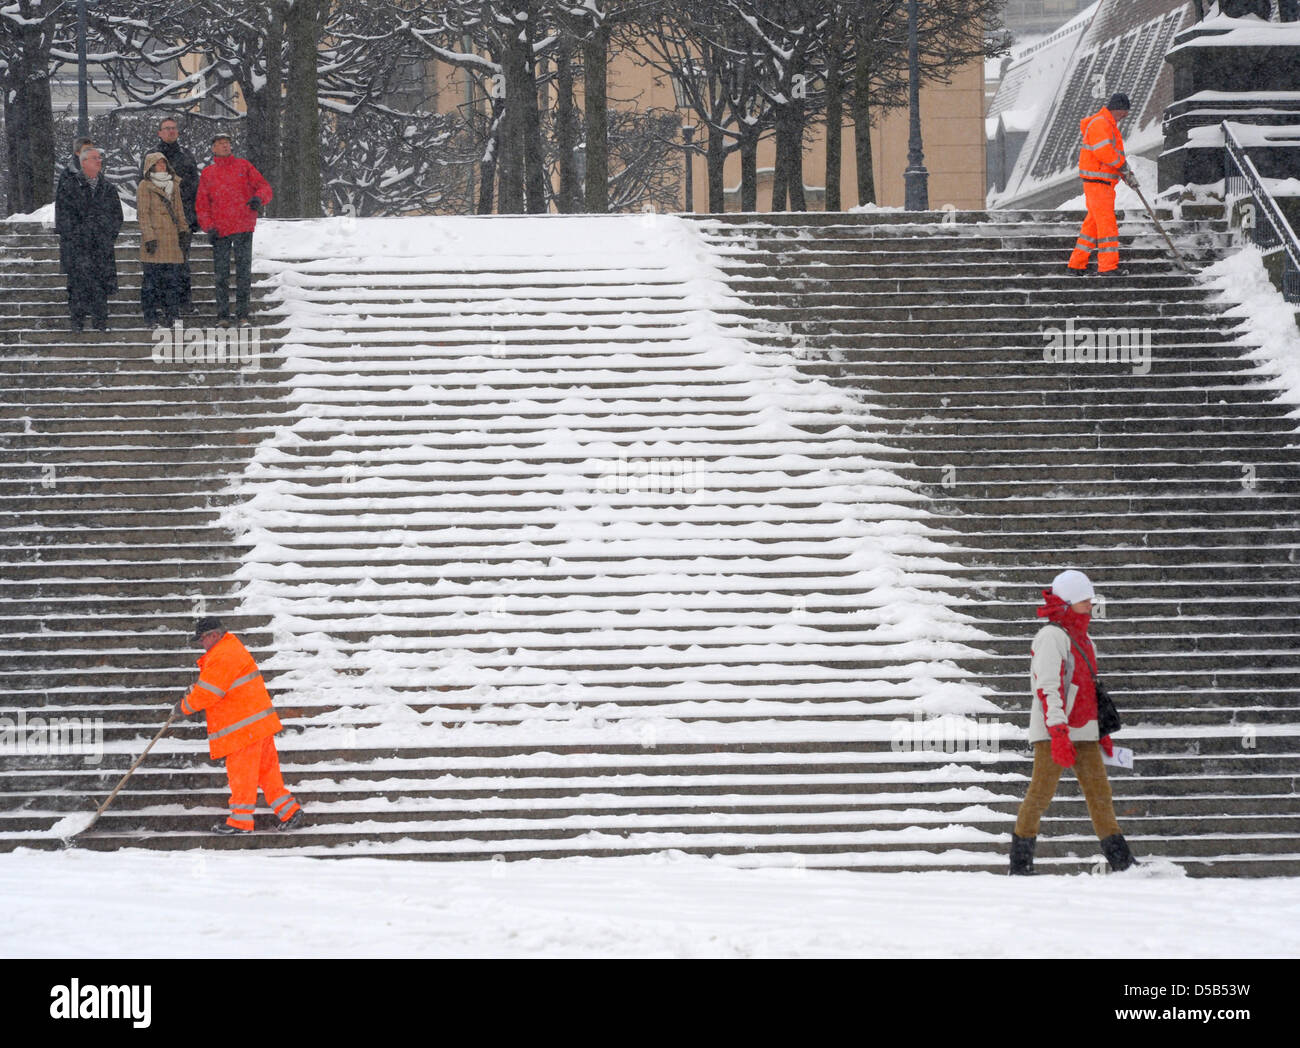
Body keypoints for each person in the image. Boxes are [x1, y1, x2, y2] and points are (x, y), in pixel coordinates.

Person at [1009, 570, 1137, 875]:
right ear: (1067, 601)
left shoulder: (1083, 637)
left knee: (1100, 794)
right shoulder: (1051, 636)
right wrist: (1058, 731)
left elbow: (1087, 687)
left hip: (1084, 730)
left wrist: (1099, 729)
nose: (1090, 604)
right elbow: (1047, 686)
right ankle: (1020, 863)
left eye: (1090, 599)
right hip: (1055, 731)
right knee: (1040, 794)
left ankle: (1122, 861)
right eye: (1084, 599)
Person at [178, 617, 305, 834]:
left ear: (213, 635)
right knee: (266, 773)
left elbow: (209, 693)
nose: (201, 644)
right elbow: (216, 685)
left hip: (242, 728)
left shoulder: (222, 655)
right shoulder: (230, 649)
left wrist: (184, 707)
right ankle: (289, 811)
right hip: (256, 724)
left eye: (202, 639)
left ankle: (240, 822)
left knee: (241, 776)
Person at [195, 133, 273, 327]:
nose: (225, 146)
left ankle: (242, 315)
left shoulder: (243, 166)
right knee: (221, 274)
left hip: (243, 225)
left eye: (227, 143)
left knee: (243, 273)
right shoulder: (208, 173)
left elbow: (264, 187)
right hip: (220, 229)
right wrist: (208, 226)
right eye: (220, 143)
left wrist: (259, 198)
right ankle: (223, 316)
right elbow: (202, 204)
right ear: (213, 148)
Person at [54, 146, 123, 333]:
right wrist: (80, 234)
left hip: (101, 247)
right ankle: (77, 320)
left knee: (100, 285)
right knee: (77, 286)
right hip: (78, 247)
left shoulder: (108, 188)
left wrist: (105, 235)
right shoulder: (70, 186)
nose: (99, 161)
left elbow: (117, 217)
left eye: (100, 158)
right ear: (83, 162)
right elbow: (63, 217)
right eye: (94, 158)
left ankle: (100, 320)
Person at [1067, 92, 1136, 277]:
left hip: (1101, 183)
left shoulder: (1106, 124)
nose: (1124, 117)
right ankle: (1108, 267)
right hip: (1098, 182)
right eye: (1124, 113)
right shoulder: (1101, 123)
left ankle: (1077, 264)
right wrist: (1122, 166)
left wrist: (1125, 172)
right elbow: (1104, 152)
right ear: (1118, 109)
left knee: (1093, 225)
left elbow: (1110, 155)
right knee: (1107, 225)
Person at [143, 116, 201, 309]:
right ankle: (161, 303)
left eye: (174, 128)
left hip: (181, 219)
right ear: (159, 132)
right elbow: (144, 187)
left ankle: (184, 302)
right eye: (167, 128)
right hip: (159, 221)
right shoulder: (151, 155)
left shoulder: (186, 155)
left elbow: (194, 188)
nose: (171, 131)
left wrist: (192, 218)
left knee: (182, 263)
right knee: (159, 264)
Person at [137, 151, 190, 327]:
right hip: (155, 240)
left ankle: (172, 315)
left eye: (164, 163)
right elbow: (143, 215)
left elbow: (179, 211)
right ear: (151, 166)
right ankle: (151, 317)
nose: (162, 166)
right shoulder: (145, 186)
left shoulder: (173, 185)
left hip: (171, 240)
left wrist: (183, 231)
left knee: (172, 282)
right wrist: (149, 237)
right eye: (158, 163)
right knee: (151, 282)